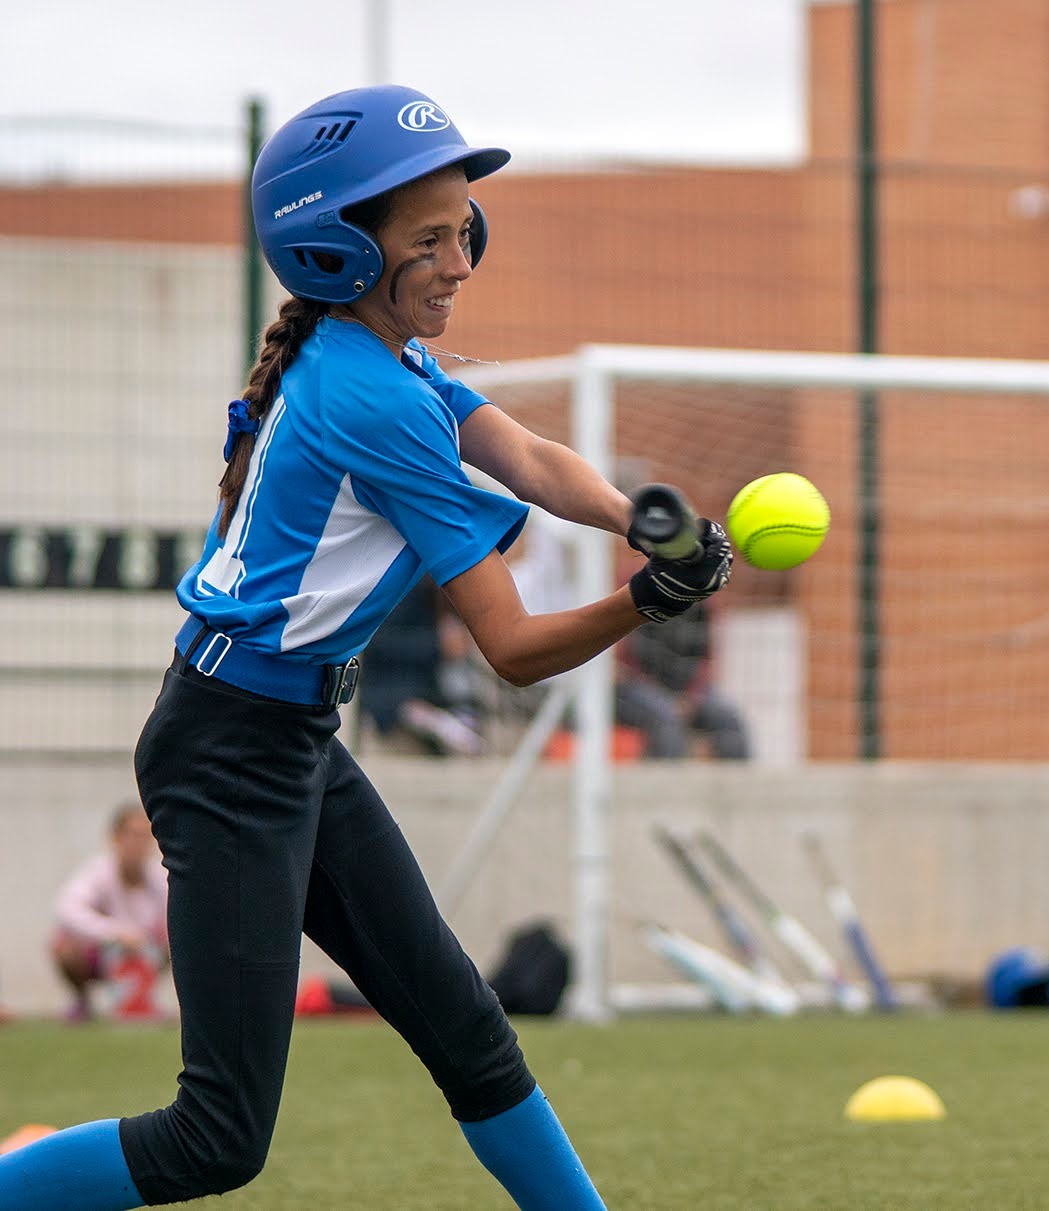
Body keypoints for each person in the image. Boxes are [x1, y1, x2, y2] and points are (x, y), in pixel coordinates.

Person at [0, 85, 730, 1211]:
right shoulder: (372, 398)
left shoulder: (380, 357)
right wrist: (649, 601)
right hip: (229, 752)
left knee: (465, 1026)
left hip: (284, 733)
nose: (460, 261)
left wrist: (641, 521)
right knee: (216, 1136)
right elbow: (517, 648)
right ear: (335, 249)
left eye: (465, 231)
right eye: (429, 240)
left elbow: (529, 456)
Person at [50, 802, 169, 1023]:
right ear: (116, 838)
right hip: (101, 954)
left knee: (178, 939)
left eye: (144, 836)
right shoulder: (97, 871)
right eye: (131, 835)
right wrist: (115, 933)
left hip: (146, 954)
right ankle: (82, 1000)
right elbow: (66, 908)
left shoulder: (159, 876)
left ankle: (145, 998)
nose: (138, 844)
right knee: (63, 945)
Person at [358, 576, 487, 755]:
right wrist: (438, 644)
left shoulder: (441, 588)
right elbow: (377, 643)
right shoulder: (402, 586)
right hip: (392, 696)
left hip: (437, 693)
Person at [616, 601, 750, 759]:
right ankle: (665, 780)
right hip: (634, 689)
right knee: (666, 718)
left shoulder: (702, 606)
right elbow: (622, 667)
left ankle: (733, 781)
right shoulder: (632, 594)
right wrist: (670, 700)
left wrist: (691, 697)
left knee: (729, 720)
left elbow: (705, 662)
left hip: (687, 693)